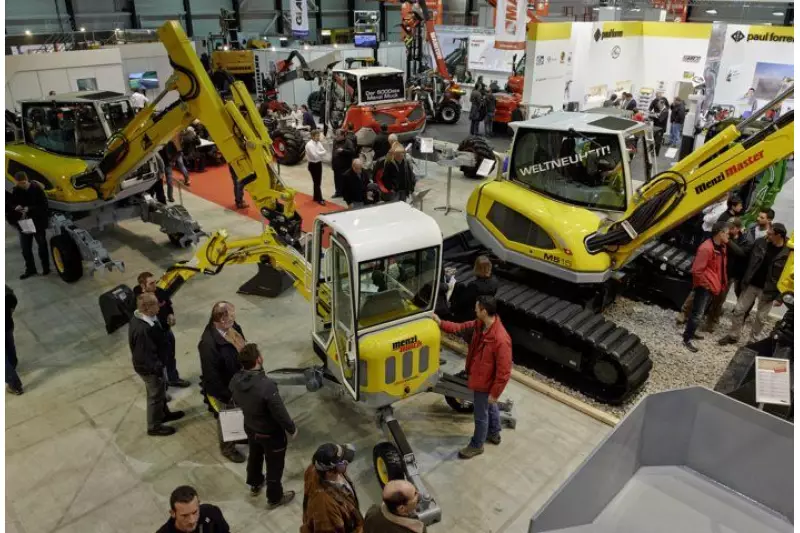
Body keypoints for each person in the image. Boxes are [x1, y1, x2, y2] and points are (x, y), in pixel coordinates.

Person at [433, 295, 512, 458]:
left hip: (485, 383)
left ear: (484, 311)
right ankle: (494, 432)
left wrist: (494, 393)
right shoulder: (479, 325)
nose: (474, 309)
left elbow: (504, 372)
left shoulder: (500, 339)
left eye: (477, 307)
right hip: (480, 377)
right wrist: (440, 323)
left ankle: (477, 445)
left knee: (480, 415)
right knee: (490, 407)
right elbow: (459, 327)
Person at [230, 343, 297, 509]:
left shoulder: (235, 380)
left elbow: (235, 401)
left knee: (255, 455)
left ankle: (255, 483)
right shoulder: (266, 386)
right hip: (270, 434)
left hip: (251, 427)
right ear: (258, 359)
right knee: (274, 465)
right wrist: (291, 428)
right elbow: (280, 412)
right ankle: (274, 497)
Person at [719, 223, 790, 345]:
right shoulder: (760, 243)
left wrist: (780, 297)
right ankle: (733, 335)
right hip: (751, 285)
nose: (767, 235)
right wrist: (729, 242)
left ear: (779, 235)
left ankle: (752, 341)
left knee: (761, 318)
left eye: (770, 234)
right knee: (738, 310)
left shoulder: (789, 252)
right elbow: (743, 253)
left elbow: (788, 276)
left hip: (769, 291)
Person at [198, 301, 247, 463]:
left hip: (239, 383)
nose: (234, 320)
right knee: (228, 419)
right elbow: (211, 376)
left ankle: (240, 436)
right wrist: (226, 396)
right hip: (226, 391)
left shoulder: (232, 327)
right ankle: (228, 448)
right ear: (220, 320)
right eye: (230, 318)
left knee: (240, 414)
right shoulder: (208, 345)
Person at [129, 293, 185, 436]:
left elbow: (158, 334)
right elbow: (145, 355)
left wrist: (166, 326)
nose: (159, 305)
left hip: (156, 364)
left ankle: (163, 414)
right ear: (147, 308)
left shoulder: (147, 318)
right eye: (155, 303)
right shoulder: (143, 330)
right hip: (150, 369)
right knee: (154, 395)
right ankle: (154, 426)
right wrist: (158, 368)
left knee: (160, 392)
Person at [133, 272, 190, 389]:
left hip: (166, 330)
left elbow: (168, 305)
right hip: (154, 336)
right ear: (143, 286)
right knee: (160, 363)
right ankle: (162, 388)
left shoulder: (159, 292)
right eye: (151, 283)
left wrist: (170, 315)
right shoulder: (140, 299)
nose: (155, 285)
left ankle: (173, 378)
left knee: (170, 356)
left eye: (155, 282)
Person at [682, 221, 729, 353]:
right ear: (720, 233)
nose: (728, 236)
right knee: (698, 313)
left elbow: (720, 268)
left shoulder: (722, 247)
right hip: (705, 287)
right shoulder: (706, 248)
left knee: (699, 312)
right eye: (727, 233)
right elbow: (697, 271)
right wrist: (706, 285)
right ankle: (687, 339)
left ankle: (691, 332)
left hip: (712, 286)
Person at [300, 443, 363, 533]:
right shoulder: (325, 509)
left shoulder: (314, 469)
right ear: (329, 472)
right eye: (343, 464)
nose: (346, 465)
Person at [7, 171, 50, 279]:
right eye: (19, 183)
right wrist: (15, 206)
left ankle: (46, 268)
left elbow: (44, 205)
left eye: (23, 183)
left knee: (42, 246)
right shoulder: (16, 189)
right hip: (25, 222)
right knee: (25, 248)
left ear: (27, 180)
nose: (22, 185)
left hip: (38, 222)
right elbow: (10, 202)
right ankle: (30, 269)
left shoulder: (37, 189)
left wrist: (29, 208)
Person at [156, 485, 230, 533]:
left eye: (195, 512)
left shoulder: (211, 512)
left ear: (198, 504)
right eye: (185, 516)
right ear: (173, 513)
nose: (192, 520)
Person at [448, 255, 499, 321]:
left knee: (458, 287)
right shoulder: (495, 280)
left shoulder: (474, 286)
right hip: (484, 307)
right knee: (461, 286)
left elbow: (462, 302)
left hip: (471, 313)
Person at [6, 286, 23, 395]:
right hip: (6, 325)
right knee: (9, 346)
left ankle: (14, 385)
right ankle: (12, 365)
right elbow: (11, 297)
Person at [331, 129, 357, 199]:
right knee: (337, 180)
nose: (336, 137)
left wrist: (343, 151)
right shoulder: (335, 141)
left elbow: (352, 152)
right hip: (336, 165)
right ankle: (338, 192)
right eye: (336, 135)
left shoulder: (348, 142)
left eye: (338, 135)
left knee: (345, 180)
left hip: (344, 166)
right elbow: (333, 152)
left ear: (343, 136)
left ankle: (345, 193)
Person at [306, 129, 327, 206]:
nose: (318, 137)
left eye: (319, 135)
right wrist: (319, 153)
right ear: (312, 136)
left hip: (319, 164)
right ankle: (320, 199)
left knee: (318, 182)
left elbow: (324, 151)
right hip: (313, 165)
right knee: (317, 182)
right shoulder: (309, 145)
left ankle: (316, 197)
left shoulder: (318, 143)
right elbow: (314, 156)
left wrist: (318, 153)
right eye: (317, 136)